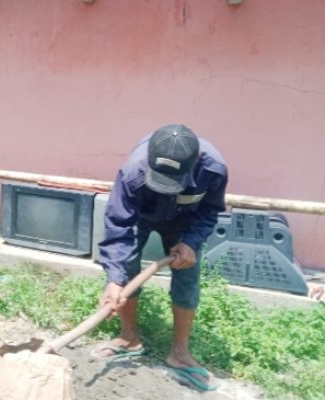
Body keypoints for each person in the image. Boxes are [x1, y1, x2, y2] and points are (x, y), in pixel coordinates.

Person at [94, 124, 228, 391]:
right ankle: (130, 339)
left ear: (194, 165)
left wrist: (191, 242)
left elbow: (210, 211)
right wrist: (114, 280)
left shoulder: (213, 169)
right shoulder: (134, 171)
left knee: (187, 277)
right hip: (141, 215)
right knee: (126, 269)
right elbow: (119, 225)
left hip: (184, 221)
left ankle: (179, 354)